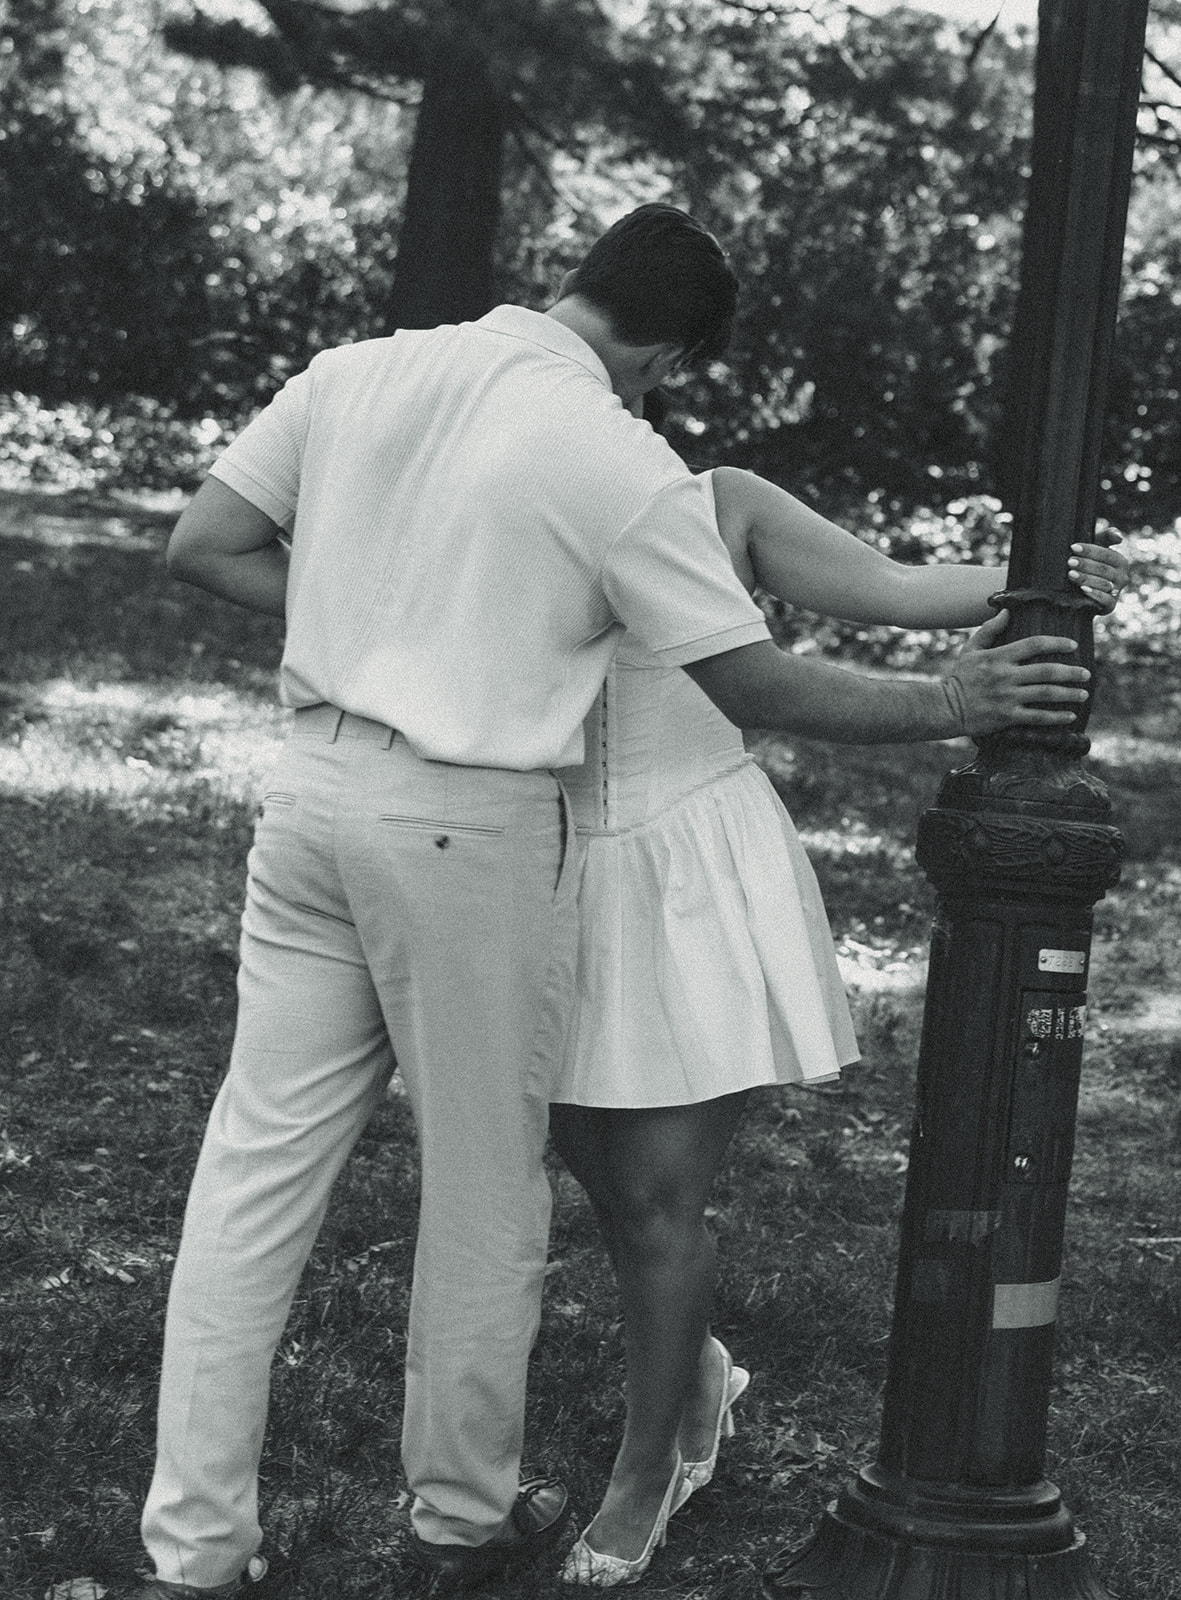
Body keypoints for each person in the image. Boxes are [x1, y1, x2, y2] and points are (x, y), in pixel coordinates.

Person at [132, 203, 1093, 1599]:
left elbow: (203, 544)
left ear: (572, 285)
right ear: (670, 349)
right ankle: (460, 1522)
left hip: (308, 795)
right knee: (482, 1191)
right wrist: (954, 702)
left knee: (251, 1174)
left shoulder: (357, 371)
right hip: (463, 825)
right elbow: (753, 684)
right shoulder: (615, 455)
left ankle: (194, 1549)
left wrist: (369, 629)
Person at [546, 465, 1129, 1585]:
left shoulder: (719, 504)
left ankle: (649, 1467)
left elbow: (895, 583)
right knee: (604, 1181)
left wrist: (1051, 576)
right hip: (554, 863)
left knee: (661, 1194)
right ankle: (699, 1370)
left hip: (692, 864)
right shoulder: (523, 494)